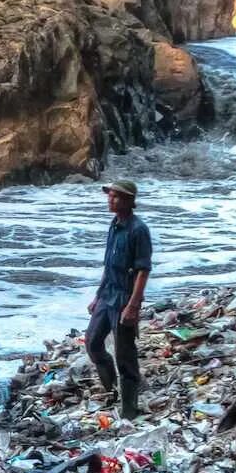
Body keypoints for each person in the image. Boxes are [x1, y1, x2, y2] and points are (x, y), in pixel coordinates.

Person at [87, 178, 151, 417]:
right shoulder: (114, 225)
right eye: (109, 195)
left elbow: (143, 270)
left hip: (125, 297)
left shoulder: (138, 230)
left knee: (125, 356)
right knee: (93, 343)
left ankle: (129, 411)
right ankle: (111, 389)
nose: (110, 200)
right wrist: (97, 296)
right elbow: (108, 265)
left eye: (115, 196)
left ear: (129, 201)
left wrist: (133, 306)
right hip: (107, 294)